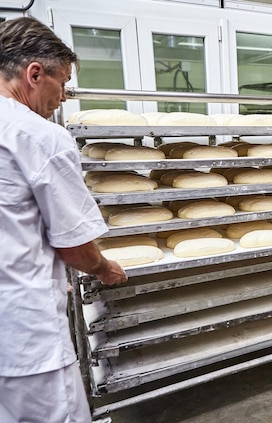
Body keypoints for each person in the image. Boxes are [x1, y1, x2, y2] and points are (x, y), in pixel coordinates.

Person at [0, 17, 127, 422]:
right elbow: (73, 244)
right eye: (63, 82)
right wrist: (104, 268)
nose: (64, 96)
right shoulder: (38, 135)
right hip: (25, 328)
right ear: (35, 74)